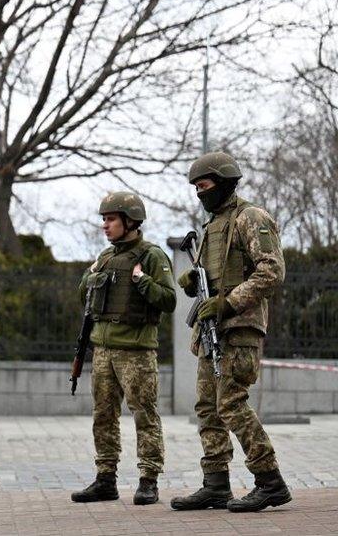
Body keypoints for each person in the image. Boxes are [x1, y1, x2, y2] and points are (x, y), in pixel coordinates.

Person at [171, 152, 291, 513]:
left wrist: (228, 302)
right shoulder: (212, 226)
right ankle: (216, 485)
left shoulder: (249, 217)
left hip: (238, 329)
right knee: (208, 409)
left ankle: (270, 481)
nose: (199, 194)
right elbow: (214, 279)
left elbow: (271, 271)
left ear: (223, 183)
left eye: (204, 186)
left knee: (231, 404)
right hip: (213, 331)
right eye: (195, 188)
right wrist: (194, 281)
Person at [71, 192, 175, 506]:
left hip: (136, 351)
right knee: (103, 415)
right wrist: (89, 275)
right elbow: (83, 299)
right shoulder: (104, 257)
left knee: (144, 414)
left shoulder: (152, 255)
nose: (105, 225)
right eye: (104, 219)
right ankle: (105, 479)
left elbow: (169, 300)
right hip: (102, 350)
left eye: (111, 219)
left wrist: (142, 281)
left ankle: (148, 480)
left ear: (130, 221)